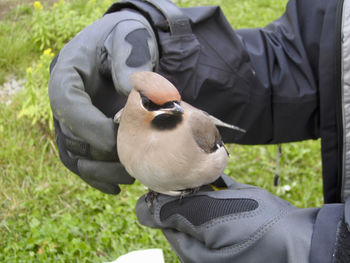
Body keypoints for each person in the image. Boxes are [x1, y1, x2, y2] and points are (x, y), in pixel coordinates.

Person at [48, 0, 350, 262]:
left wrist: (331, 247)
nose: (177, 109)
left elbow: (209, 142)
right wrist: (163, 44)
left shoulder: (191, 125)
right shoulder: (125, 116)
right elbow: (297, 62)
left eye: (175, 105)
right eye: (158, 104)